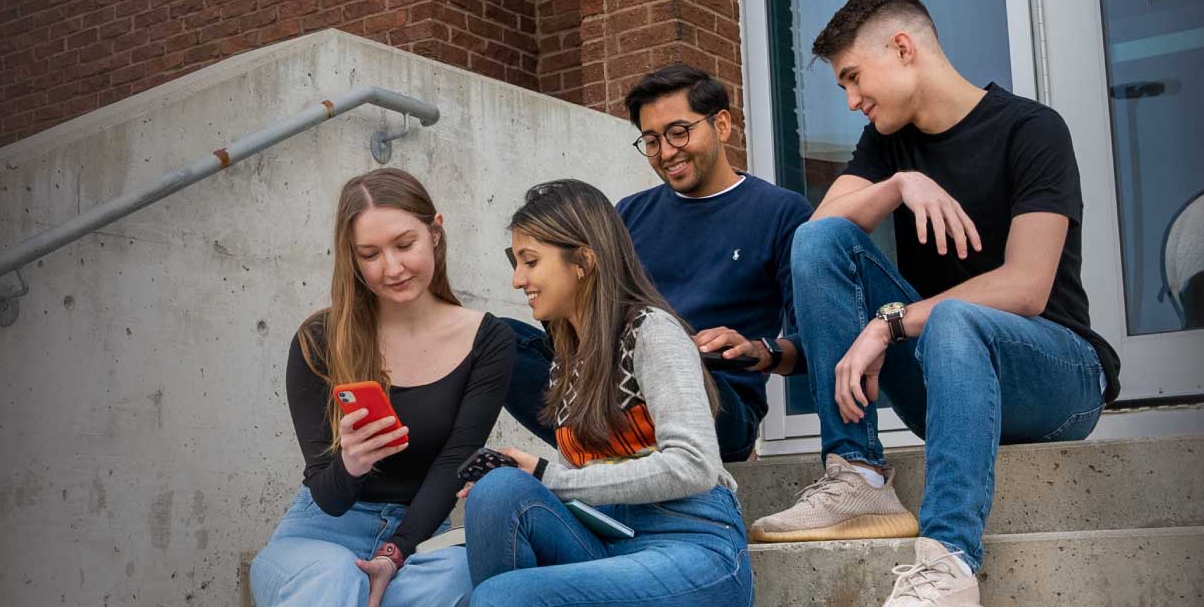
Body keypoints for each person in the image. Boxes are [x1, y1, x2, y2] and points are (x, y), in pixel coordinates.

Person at [746, 0, 1122, 607]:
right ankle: (858, 473)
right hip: (945, 382)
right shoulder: (889, 144)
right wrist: (899, 184)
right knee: (819, 242)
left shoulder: (1031, 130)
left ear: (902, 48)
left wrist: (889, 324)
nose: (850, 100)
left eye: (853, 78)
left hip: (1056, 378)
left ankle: (948, 563)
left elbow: (1027, 288)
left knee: (952, 318)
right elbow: (818, 239)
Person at [462, 179, 754, 606]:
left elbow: (695, 466)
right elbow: (583, 478)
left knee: (501, 597)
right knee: (496, 491)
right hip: (611, 538)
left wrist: (550, 478)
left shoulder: (652, 332)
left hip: (693, 545)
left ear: (582, 261)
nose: (517, 279)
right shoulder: (569, 356)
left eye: (529, 261)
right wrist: (527, 479)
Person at [501, 65, 814, 463]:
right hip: (615, 384)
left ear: (721, 125)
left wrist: (759, 350)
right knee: (498, 342)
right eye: (651, 140)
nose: (666, 152)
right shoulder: (629, 213)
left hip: (716, 397)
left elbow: (813, 344)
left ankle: (619, 449)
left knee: (674, 365)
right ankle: (602, 450)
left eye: (679, 132)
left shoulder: (780, 211)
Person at [250, 168, 513, 607]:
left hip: (421, 538)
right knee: (335, 579)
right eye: (370, 254)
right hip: (319, 536)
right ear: (352, 259)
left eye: (405, 245)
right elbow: (328, 497)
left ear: (436, 232)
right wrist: (350, 464)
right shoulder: (319, 339)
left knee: (462, 575)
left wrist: (395, 552)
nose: (392, 268)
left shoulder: (488, 340)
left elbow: (454, 463)